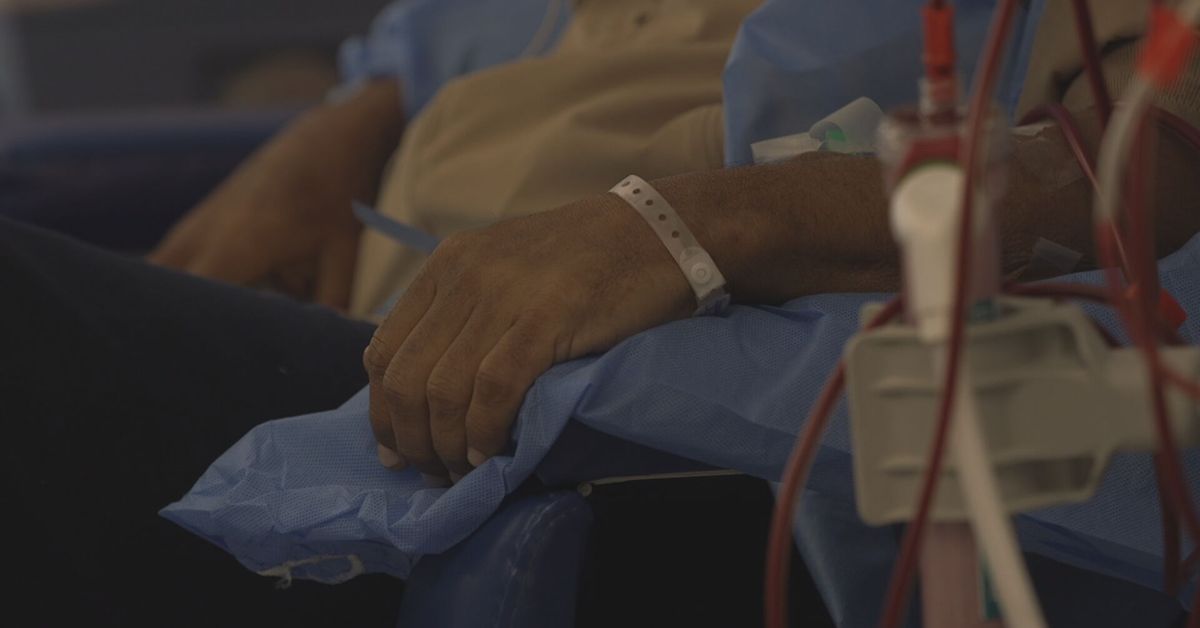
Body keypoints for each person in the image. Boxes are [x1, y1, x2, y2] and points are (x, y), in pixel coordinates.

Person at [4, 0, 1200, 626]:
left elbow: (1143, 164)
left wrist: (684, 228)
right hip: (383, 314)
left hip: (537, 423)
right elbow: (466, 33)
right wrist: (355, 115)